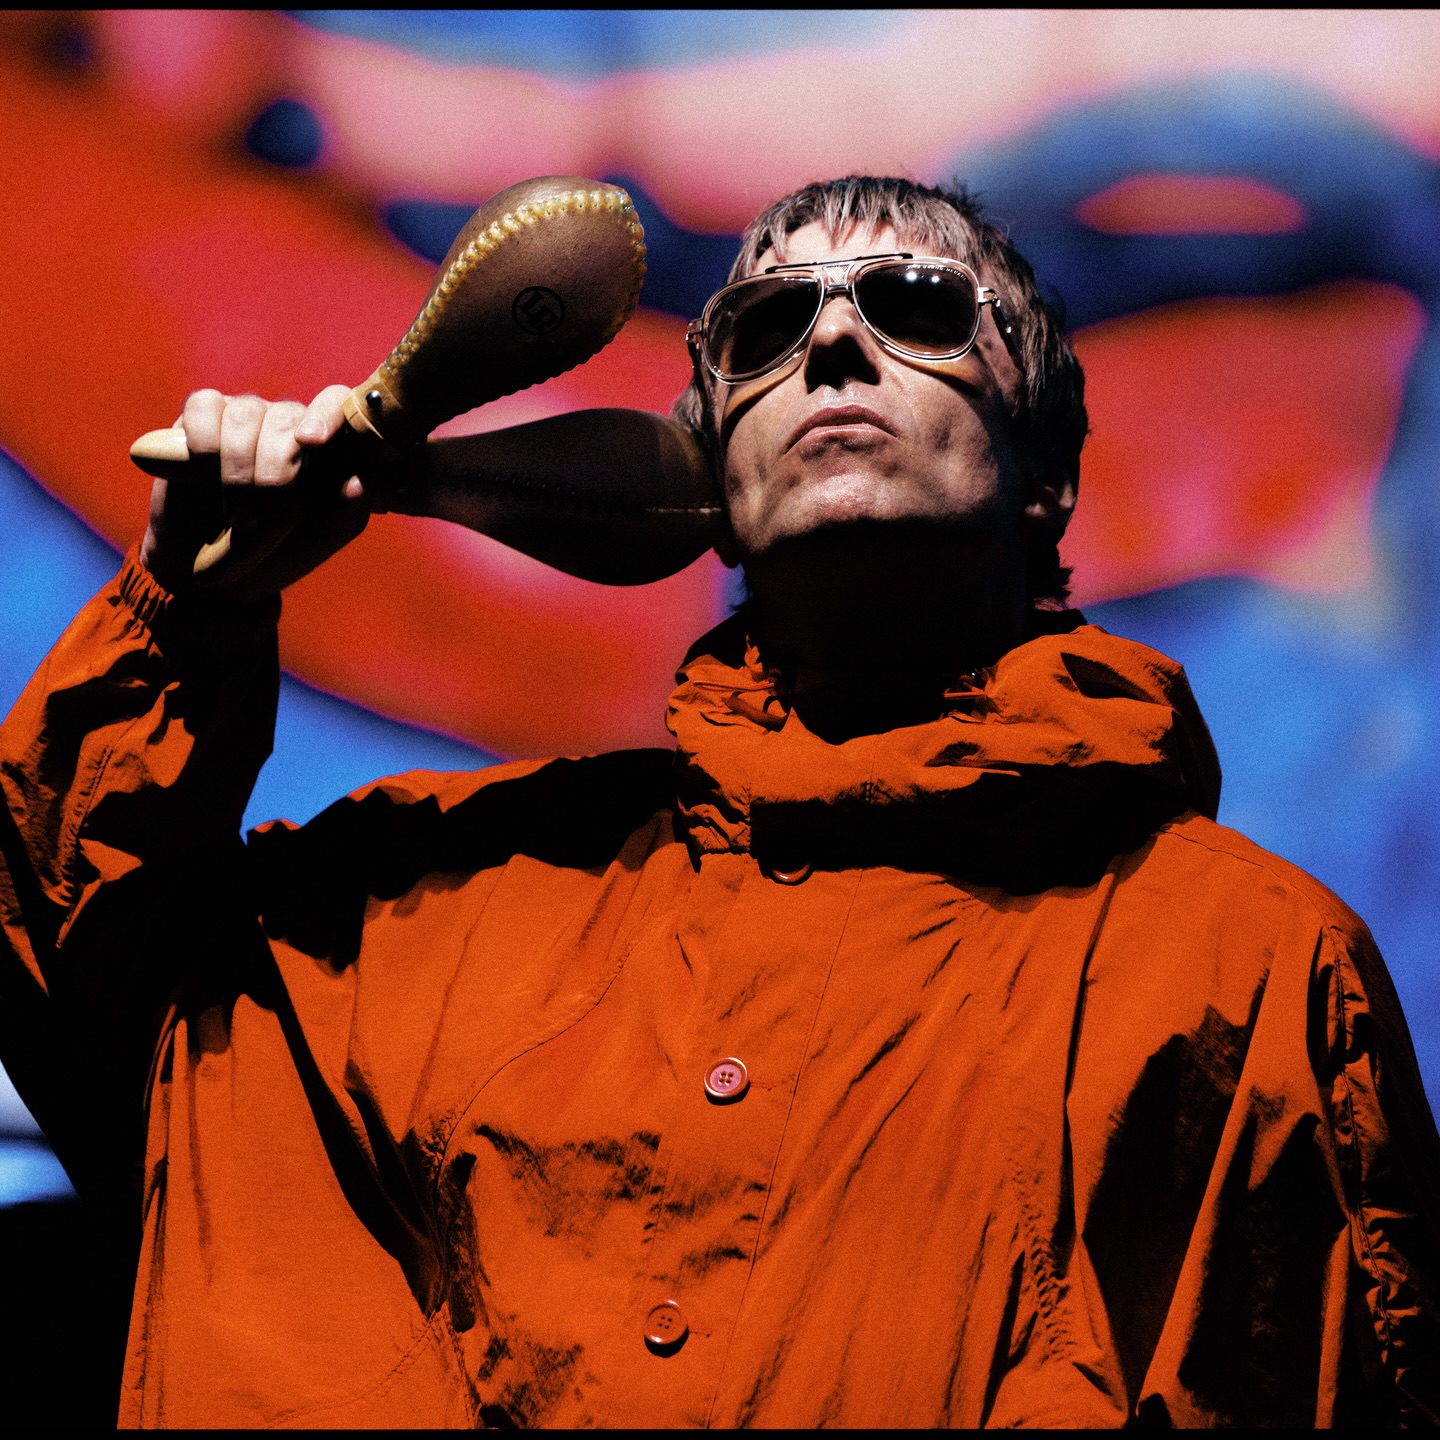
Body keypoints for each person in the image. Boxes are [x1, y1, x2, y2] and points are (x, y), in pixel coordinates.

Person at [2, 176, 1437, 1429]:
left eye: (918, 306)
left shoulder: (1246, 969)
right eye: (765, 329)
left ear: (1048, 473)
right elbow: (71, 975)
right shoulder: (421, 905)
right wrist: (184, 614)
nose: (832, 341)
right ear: (708, 491)